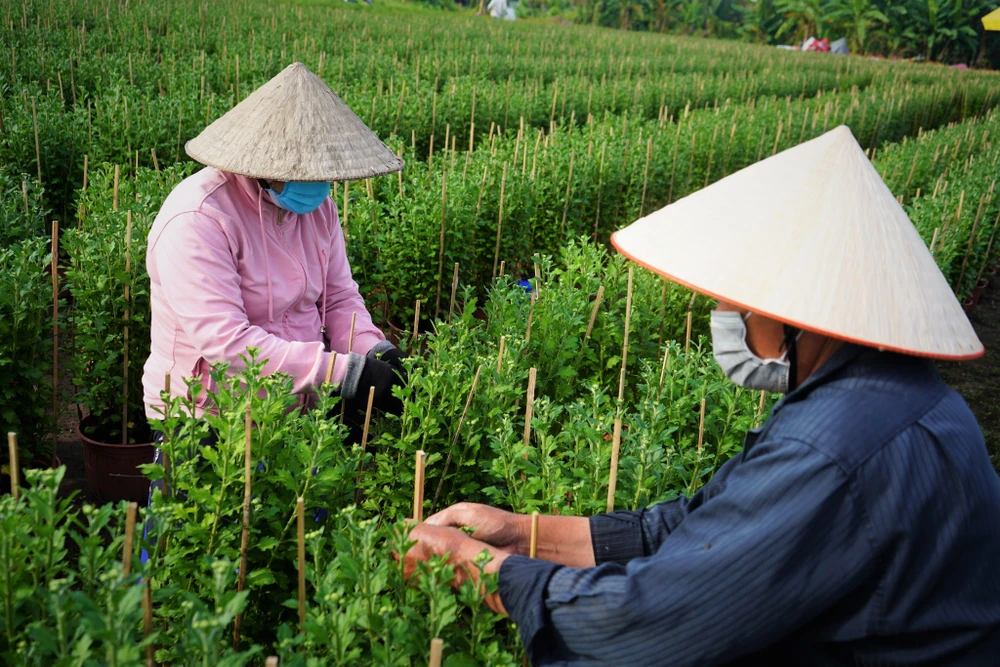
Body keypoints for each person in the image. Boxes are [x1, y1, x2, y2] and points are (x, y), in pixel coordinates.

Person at [403, 126, 1000, 665]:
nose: (724, 315)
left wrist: (478, 569)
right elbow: (703, 526)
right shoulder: (889, 396)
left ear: (793, 313)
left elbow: (655, 622)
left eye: (735, 299)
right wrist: (522, 533)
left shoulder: (833, 446)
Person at [142, 62, 407, 430]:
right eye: (301, 170)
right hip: (208, 417)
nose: (317, 183)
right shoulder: (199, 218)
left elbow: (339, 299)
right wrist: (348, 373)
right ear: (264, 163)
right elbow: (228, 345)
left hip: (296, 408)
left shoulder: (318, 210)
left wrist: (373, 349)